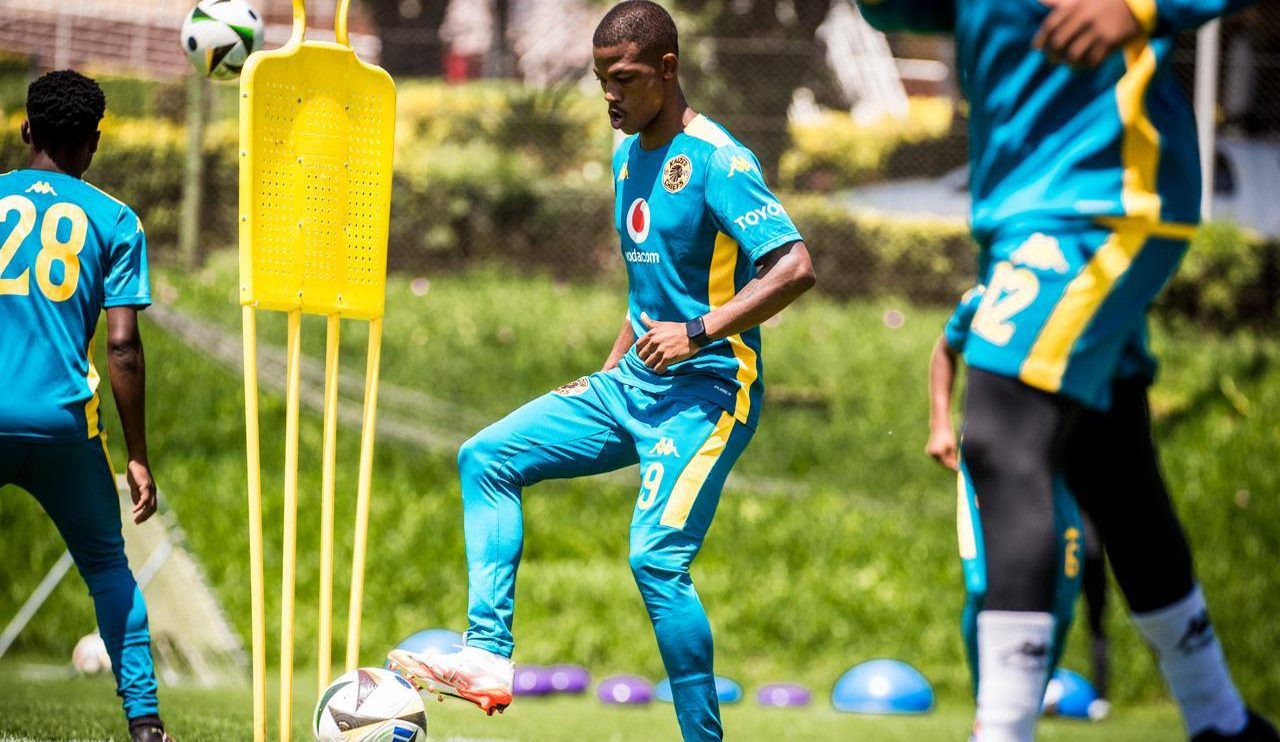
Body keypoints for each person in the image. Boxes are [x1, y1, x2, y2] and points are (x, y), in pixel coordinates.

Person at [387, 2, 816, 739]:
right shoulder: (625, 159)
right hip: (631, 387)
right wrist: (610, 374)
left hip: (710, 392)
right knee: (486, 456)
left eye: (622, 79)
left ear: (667, 69)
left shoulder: (720, 159)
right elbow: (649, 289)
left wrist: (699, 332)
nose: (609, 95)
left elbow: (796, 266)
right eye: (599, 81)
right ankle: (488, 655)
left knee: (655, 559)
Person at [857, 1, 1278, 740]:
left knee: (1000, 433)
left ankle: (1004, 728)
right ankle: (1224, 724)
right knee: (1110, 466)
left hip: (1102, 191)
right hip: (1025, 206)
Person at [0, 70, 173, 742]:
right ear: (94, 142)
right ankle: (147, 724)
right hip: (63, 425)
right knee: (107, 568)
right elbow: (123, 348)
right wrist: (137, 456)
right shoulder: (115, 219)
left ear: (25, 131)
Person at [927, 286, 1120, 719]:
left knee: (1061, 593)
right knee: (984, 587)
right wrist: (940, 423)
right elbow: (945, 348)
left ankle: (1022, 707)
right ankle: (988, 712)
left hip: (1060, 469)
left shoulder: (1092, 294)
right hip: (989, 466)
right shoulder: (986, 296)